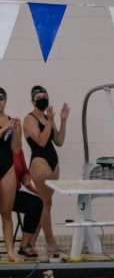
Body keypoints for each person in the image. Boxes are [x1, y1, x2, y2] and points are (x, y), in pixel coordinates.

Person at [23, 85, 68, 256]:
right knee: (44, 204)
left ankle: (30, 243)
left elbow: (59, 140)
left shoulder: (48, 118)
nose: (43, 99)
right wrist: (50, 121)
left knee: (46, 205)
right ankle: (51, 244)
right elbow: (41, 142)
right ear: (33, 101)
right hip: (39, 161)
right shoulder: (30, 119)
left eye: (45, 95)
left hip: (52, 161)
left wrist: (62, 121)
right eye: (39, 96)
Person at [0, 89, 23, 262]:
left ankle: (10, 252)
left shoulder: (11, 121)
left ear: (5, 101)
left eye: (1, 99)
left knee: (6, 212)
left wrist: (15, 130)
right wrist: (4, 128)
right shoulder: (6, 124)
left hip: (7, 168)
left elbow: (16, 149)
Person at [12, 142, 43, 259]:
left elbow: (24, 171)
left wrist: (30, 184)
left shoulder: (17, 150)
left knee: (36, 203)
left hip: (12, 193)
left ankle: (25, 245)